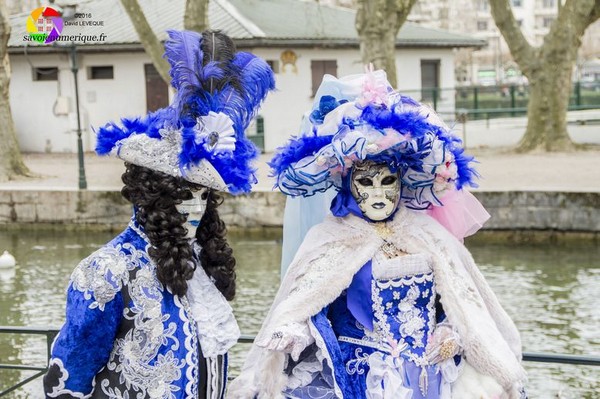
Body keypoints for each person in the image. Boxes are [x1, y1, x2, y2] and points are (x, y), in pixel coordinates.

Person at [229, 70, 527, 399]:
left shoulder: (428, 235)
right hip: (361, 379)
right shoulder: (330, 238)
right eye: (365, 183)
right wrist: (291, 330)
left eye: (387, 182)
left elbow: (461, 301)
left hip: (429, 378)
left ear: (403, 182)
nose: (378, 194)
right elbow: (305, 303)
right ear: (347, 184)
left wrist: (451, 333)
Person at [43, 29, 274, 398]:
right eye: (184, 195)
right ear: (152, 196)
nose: (196, 208)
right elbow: (68, 384)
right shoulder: (106, 271)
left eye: (204, 196)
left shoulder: (200, 264)